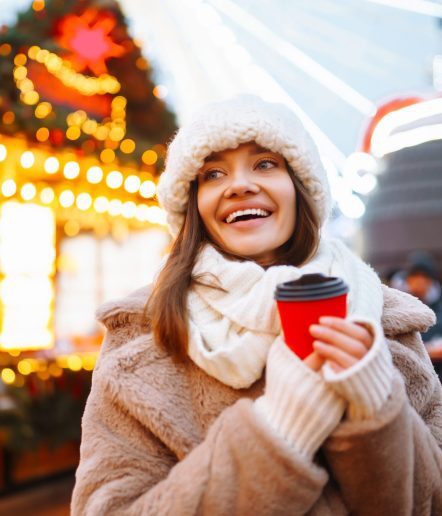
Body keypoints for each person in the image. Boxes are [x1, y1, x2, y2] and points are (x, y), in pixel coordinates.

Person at [71, 95, 442, 515]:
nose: (240, 185)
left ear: (300, 186)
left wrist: (377, 409)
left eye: (265, 164)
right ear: (193, 203)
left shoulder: (388, 320)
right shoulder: (142, 335)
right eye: (213, 173)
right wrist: (278, 433)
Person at [393, 252, 442, 380]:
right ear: (408, 279)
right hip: (405, 374)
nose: (420, 281)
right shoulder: (397, 305)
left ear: (431, 281)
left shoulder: (439, 307)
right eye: (415, 276)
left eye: (424, 277)